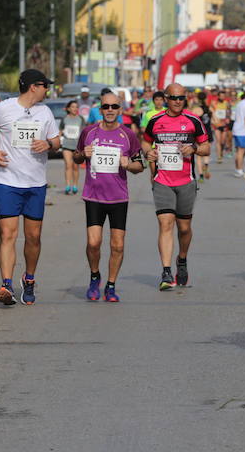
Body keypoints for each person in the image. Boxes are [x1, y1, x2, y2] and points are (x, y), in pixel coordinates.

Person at [0, 69, 60, 305]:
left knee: (33, 237)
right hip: (7, 182)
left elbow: (56, 141)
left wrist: (48, 143)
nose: (48, 89)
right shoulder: (3, 108)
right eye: (45, 85)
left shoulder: (45, 112)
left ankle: (29, 279)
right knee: (7, 234)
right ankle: (6, 285)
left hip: (35, 183)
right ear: (34, 86)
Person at [73, 92, 144, 302]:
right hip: (94, 196)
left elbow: (140, 166)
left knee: (118, 245)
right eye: (106, 107)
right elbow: (77, 157)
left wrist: (128, 164)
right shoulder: (89, 132)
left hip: (118, 198)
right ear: (100, 110)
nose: (110, 110)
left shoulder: (128, 135)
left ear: (120, 109)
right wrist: (82, 154)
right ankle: (95, 277)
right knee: (94, 243)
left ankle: (111, 285)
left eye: (114, 107)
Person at [142, 83, 210, 290]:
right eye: (173, 98)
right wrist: (149, 153)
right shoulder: (155, 120)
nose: (178, 102)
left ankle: (181, 259)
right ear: (165, 98)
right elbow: (145, 142)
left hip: (186, 181)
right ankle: (165, 271)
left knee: (184, 228)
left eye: (181, 98)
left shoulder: (192, 120)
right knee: (165, 224)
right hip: (162, 180)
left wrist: (195, 148)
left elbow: (206, 147)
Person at [59, 100, 84, 194]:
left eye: (76, 107)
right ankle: (68, 186)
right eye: (73, 107)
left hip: (77, 146)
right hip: (66, 145)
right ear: (68, 108)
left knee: (75, 167)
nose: (75, 109)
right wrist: (58, 141)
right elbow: (60, 131)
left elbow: (83, 132)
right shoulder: (64, 118)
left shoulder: (80, 119)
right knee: (68, 165)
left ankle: (75, 186)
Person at [211, 91, 231, 163]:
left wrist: (228, 118)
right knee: (218, 141)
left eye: (223, 96)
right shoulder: (214, 103)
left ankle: (221, 152)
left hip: (224, 124)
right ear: (218, 96)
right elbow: (211, 111)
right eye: (221, 96)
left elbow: (229, 111)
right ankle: (219, 156)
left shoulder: (226, 103)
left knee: (223, 142)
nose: (222, 97)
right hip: (217, 125)